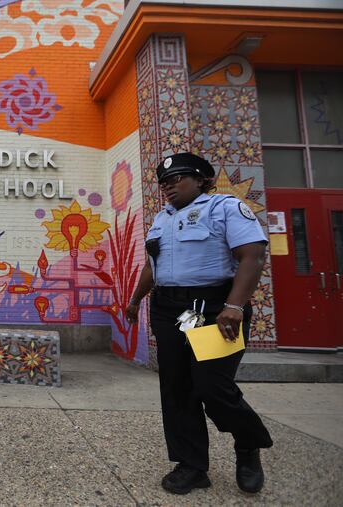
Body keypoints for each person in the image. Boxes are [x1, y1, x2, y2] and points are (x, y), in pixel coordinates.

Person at [125, 152, 273, 496]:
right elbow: (151, 267)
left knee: (211, 386)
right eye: (164, 182)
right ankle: (191, 466)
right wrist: (135, 301)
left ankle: (248, 444)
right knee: (176, 389)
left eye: (177, 178)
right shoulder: (160, 219)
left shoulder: (225, 208)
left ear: (201, 179)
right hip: (169, 310)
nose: (169, 186)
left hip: (213, 309)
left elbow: (252, 255)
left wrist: (235, 305)